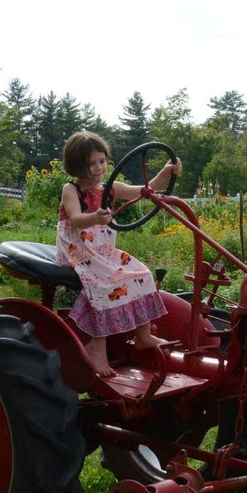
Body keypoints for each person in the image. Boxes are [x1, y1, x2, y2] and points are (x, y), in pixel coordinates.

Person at [56, 130, 180, 379]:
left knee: (141, 274)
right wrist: (95, 217)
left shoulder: (110, 188)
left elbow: (146, 189)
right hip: (78, 250)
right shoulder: (71, 189)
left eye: (101, 161)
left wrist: (167, 172)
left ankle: (142, 336)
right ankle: (96, 346)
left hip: (103, 251)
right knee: (104, 285)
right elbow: (77, 220)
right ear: (77, 166)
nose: (98, 168)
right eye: (91, 164)